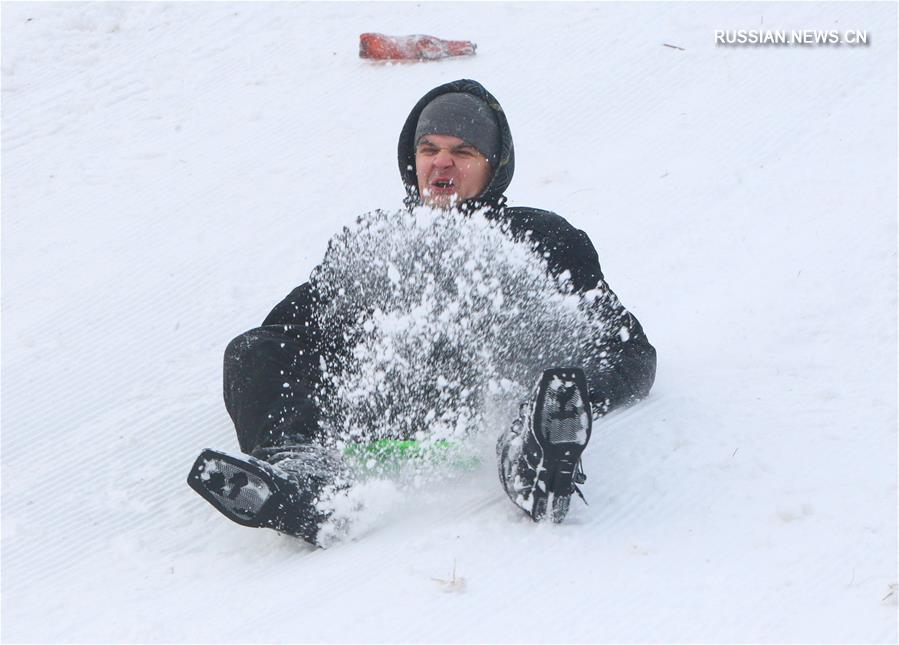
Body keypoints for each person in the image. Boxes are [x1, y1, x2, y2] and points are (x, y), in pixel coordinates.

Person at [187, 79, 656, 545]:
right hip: (383, 405)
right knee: (252, 351)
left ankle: (531, 460)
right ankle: (309, 482)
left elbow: (626, 349)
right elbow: (284, 335)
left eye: (464, 151)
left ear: (494, 166)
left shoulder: (539, 237)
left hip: (489, 400)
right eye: (429, 148)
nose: (441, 162)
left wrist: (572, 397)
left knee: (557, 375)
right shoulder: (380, 247)